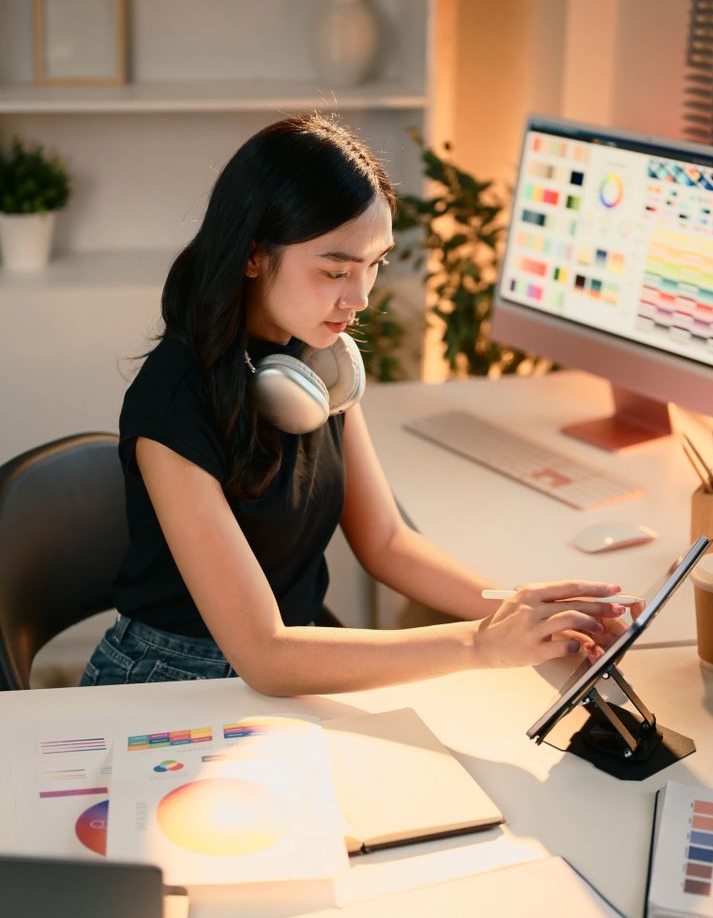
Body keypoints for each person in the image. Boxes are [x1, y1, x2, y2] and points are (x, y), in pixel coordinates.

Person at [81, 114, 634, 694]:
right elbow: (264, 653)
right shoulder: (172, 403)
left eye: (375, 265)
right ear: (251, 255)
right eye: (335, 270)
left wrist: (521, 612)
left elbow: (387, 543)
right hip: (173, 679)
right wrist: (479, 644)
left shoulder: (319, 359)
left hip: (291, 654)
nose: (361, 297)